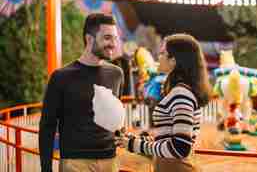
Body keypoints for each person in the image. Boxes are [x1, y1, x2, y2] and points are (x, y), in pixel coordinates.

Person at [39, 13, 124, 172]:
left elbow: (114, 119)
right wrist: (46, 168)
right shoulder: (61, 77)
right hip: (75, 161)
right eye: (107, 38)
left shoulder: (116, 74)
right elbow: (47, 126)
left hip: (110, 159)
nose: (113, 44)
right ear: (89, 39)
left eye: (115, 38)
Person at [117, 33, 211, 172]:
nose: (158, 58)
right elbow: (167, 141)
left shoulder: (181, 94)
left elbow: (180, 148)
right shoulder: (178, 91)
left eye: (162, 53)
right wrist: (133, 141)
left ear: (174, 60)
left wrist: (135, 145)